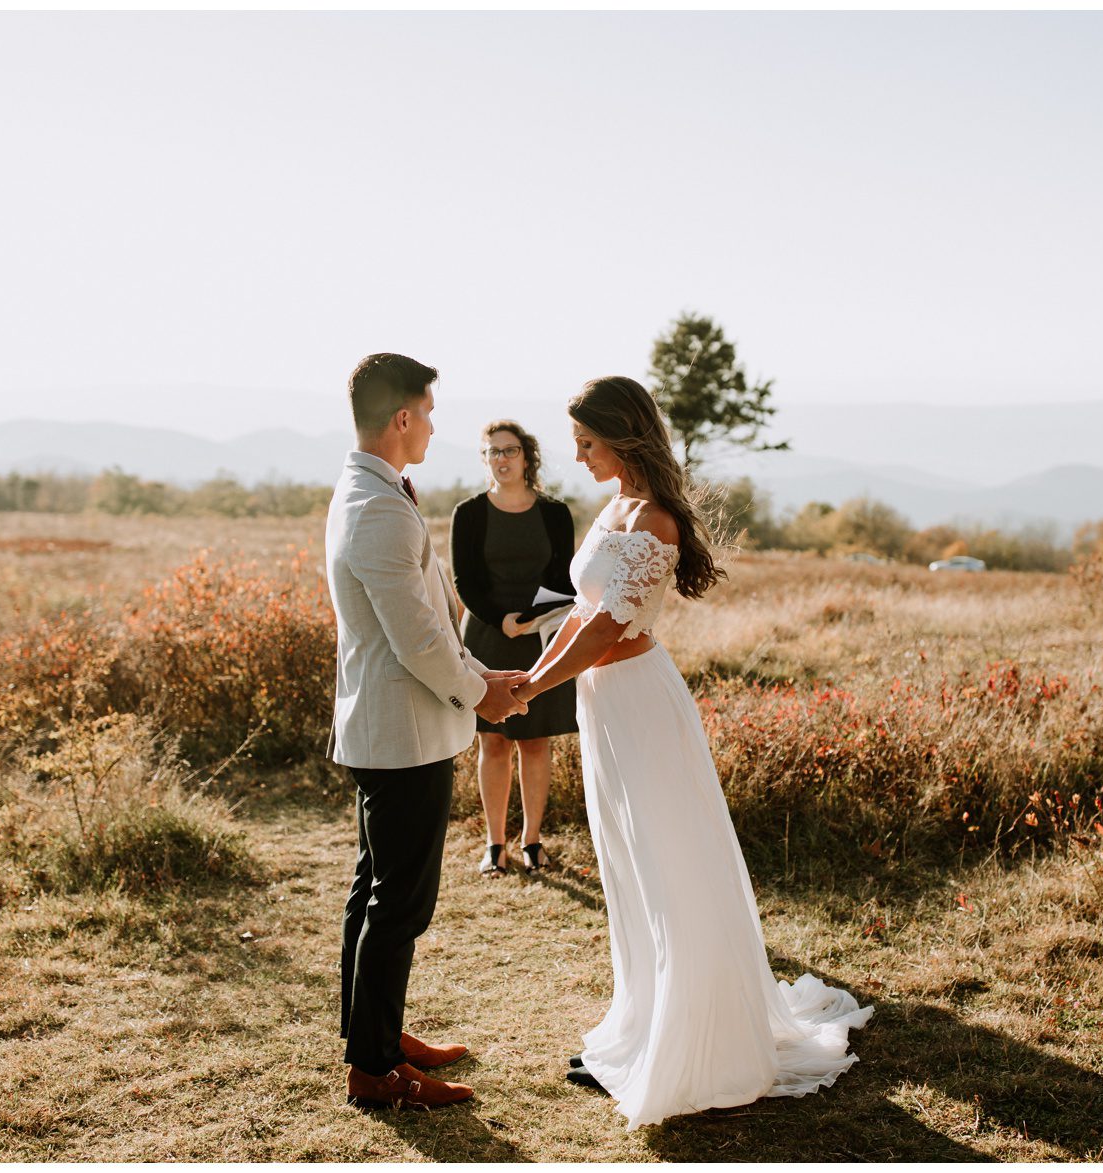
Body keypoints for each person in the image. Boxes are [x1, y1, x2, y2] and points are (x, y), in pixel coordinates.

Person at [509, 375, 874, 1131]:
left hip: (639, 704)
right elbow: (583, 613)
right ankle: (641, 1027)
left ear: (624, 436)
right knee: (630, 868)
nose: (576, 455)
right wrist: (534, 678)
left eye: (587, 442)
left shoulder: (657, 522)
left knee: (670, 862)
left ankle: (696, 1042)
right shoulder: (616, 507)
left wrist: (527, 687)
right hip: (603, 705)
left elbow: (609, 631)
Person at [324, 353, 530, 1110]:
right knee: (398, 903)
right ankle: (375, 1070)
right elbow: (417, 639)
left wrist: (476, 673)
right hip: (401, 735)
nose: (436, 426)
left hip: (392, 727)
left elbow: (428, 625)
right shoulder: (376, 506)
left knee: (371, 894)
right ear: (403, 416)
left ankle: (373, 1032)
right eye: (430, 412)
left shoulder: (367, 490)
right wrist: (483, 693)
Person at [450, 420, 580, 877]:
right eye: (492, 452)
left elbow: (565, 580)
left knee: (538, 743)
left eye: (509, 451)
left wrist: (533, 620)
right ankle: (494, 845)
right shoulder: (468, 513)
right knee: (495, 743)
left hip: (540, 638)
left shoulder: (555, 513)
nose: (501, 459)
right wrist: (499, 619)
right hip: (487, 636)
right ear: (485, 460)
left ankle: (533, 842)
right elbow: (464, 580)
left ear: (527, 457)